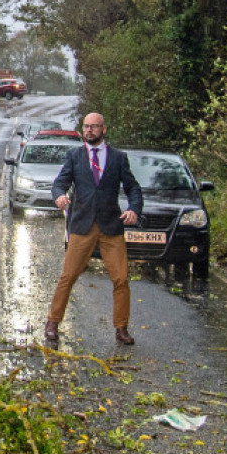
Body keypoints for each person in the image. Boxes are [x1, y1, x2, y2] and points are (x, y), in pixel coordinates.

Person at [45, 112, 143, 345]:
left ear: (104, 129)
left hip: (111, 226)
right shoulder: (75, 156)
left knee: (121, 279)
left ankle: (121, 328)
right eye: (86, 127)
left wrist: (134, 209)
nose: (89, 131)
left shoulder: (118, 158)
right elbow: (60, 183)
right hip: (82, 225)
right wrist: (59, 196)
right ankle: (52, 322)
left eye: (94, 127)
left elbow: (133, 187)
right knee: (68, 276)